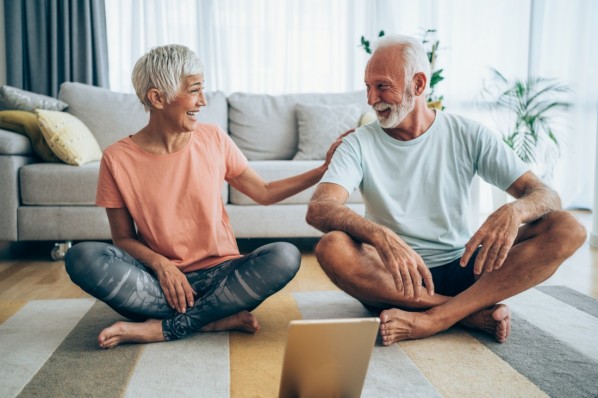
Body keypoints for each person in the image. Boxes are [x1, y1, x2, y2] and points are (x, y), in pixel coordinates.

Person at [306, 34, 586, 345]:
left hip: (465, 267)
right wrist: (379, 235)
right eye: (368, 87)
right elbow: (320, 208)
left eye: (382, 86)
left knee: (568, 228)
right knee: (331, 246)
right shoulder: (358, 143)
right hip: (392, 278)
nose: (372, 99)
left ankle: (435, 318)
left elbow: (546, 194)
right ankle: (462, 313)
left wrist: (514, 210)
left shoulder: (468, 133)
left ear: (419, 85)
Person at [65, 44, 346, 349]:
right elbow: (122, 239)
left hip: (221, 277)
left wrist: (322, 169)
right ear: (157, 98)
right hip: (161, 283)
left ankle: (167, 327)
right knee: (81, 257)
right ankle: (213, 318)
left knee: (285, 256)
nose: (203, 101)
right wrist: (162, 265)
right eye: (194, 90)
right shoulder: (117, 158)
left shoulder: (212, 138)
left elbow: (264, 193)